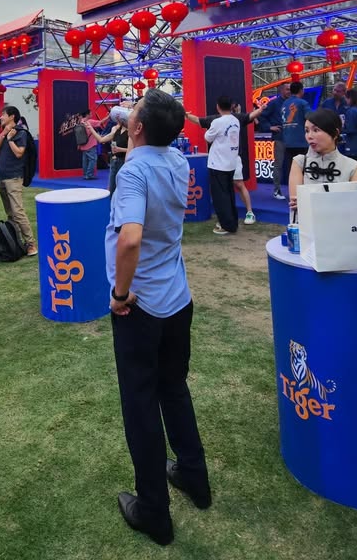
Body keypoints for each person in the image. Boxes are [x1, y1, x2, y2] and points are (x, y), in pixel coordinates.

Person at [106, 89, 210, 546]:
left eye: (134, 112)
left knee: (141, 403)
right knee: (174, 387)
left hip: (141, 303)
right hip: (176, 298)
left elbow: (129, 239)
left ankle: (154, 510)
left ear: (139, 126)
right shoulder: (177, 161)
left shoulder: (134, 172)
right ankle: (194, 476)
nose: (130, 114)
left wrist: (119, 294)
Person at [286, 108, 357, 212]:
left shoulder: (353, 166)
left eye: (316, 130)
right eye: (307, 131)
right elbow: (296, 203)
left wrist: (311, 203)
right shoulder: (299, 162)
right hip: (305, 226)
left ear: (335, 133)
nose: (309, 136)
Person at [0, 105, 36, 256]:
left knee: (18, 211)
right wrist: (3, 134)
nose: (1, 117)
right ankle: (16, 241)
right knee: (10, 212)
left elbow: (19, 153)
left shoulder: (20, 133)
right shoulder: (3, 132)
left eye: (3, 115)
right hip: (3, 177)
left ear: (12, 116)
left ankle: (31, 244)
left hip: (14, 177)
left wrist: (10, 139)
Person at [203, 95, 241, 236]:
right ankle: (232, 222)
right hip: (230, 162)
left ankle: (226, 225)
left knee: (221, 197)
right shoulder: (235, 120)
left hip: (218, 163)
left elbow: (207, 137)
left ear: (218, 106)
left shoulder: (218, 122)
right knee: (229, 194)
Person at [256, 82, 290, 200]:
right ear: (281, 90)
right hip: (280, 137)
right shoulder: (274, 103)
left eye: (290, 89)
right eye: (287, 89)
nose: (289, 91)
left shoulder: (293, 103)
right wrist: (269, 127)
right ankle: (277, 190)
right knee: (278, 165)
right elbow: (261, 116)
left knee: (294, 165)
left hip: (293, 138)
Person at [278, 81, 310, 195]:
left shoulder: (284, 103)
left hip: (287, 141)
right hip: (301, 142)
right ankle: (303, 193)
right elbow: (311, 118)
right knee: (304, 169)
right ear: (301, 90)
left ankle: (293, 193)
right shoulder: (302, 103)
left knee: (291, 169)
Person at [97, 107, 130, 194]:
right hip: (114, 160)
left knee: (121, 185)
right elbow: (101, 140)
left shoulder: (130, 133)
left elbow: (132, 149)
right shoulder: (116, 130)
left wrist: (120, 149)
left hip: (123, 161)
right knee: (112, 185)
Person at [78, 114, 101, 180]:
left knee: (85, 161)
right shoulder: (90, 122)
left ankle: (85, 174)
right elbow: (101, 122)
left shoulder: (80, 123)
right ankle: (89, 175)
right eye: (90, 113)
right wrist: (108, 116)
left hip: (83, 145)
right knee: (92, 160)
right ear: (87, 114)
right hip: (91, 144)